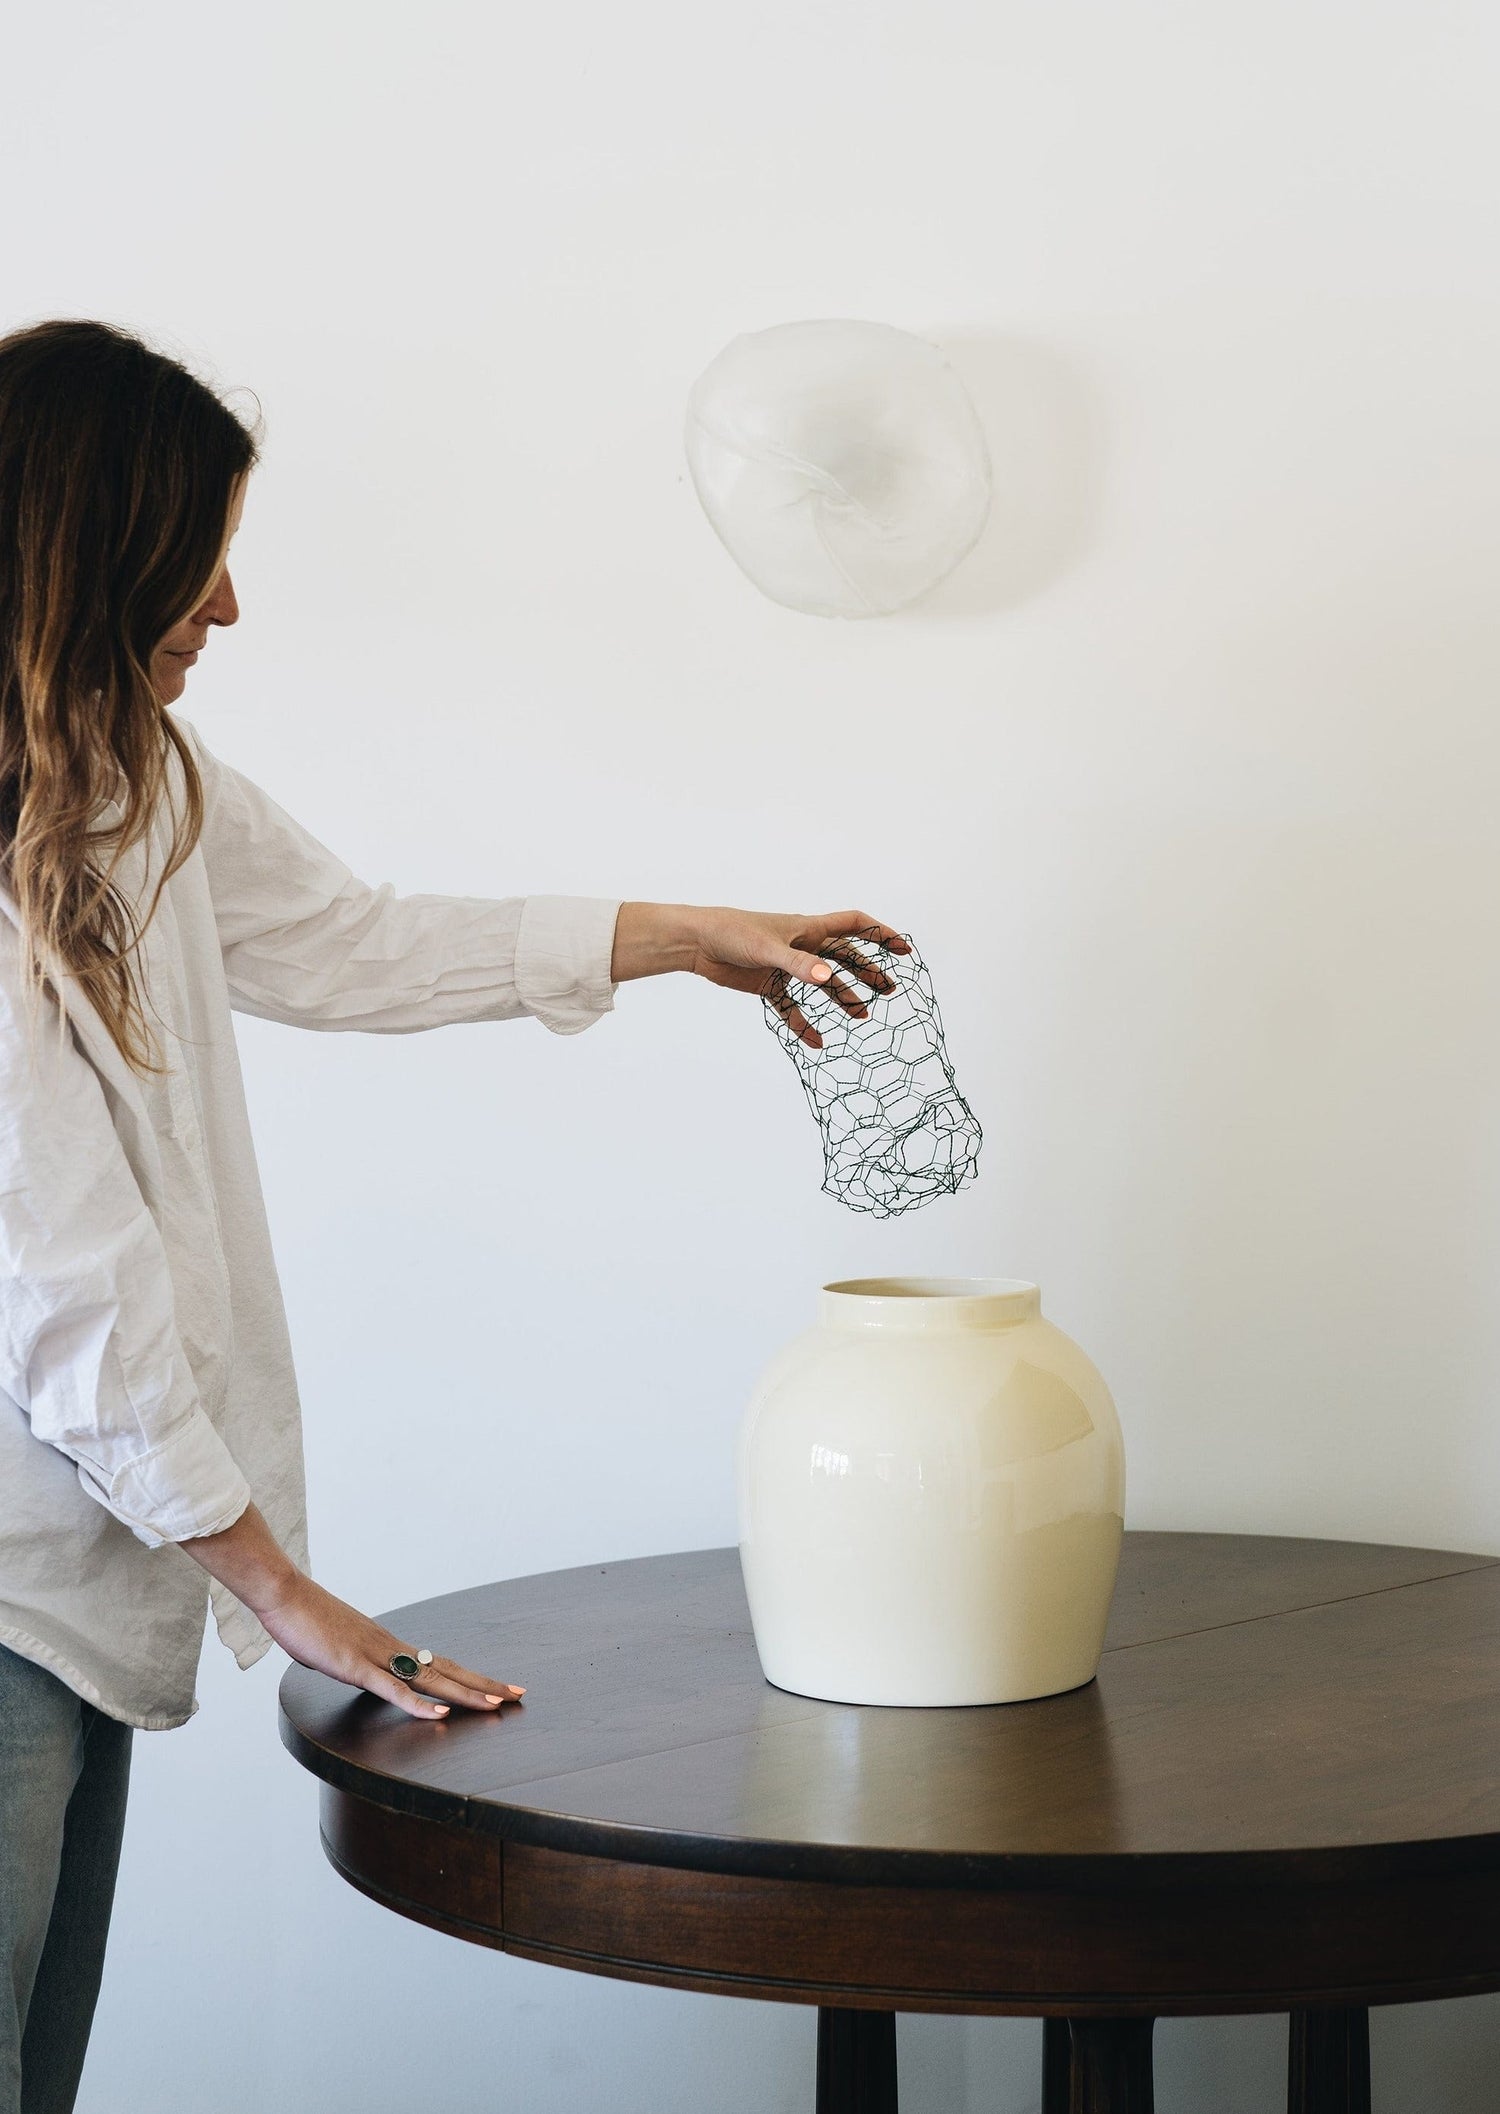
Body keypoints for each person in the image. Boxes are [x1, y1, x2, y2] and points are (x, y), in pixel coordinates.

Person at [0, 319, 904, 2114]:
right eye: (201, 560)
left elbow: (352, 938)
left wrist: (671, 934)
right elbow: (72, 1302)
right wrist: (298, 1599)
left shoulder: (131, 790)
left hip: (77, 1590)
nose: (231, 610)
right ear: (90, 553)